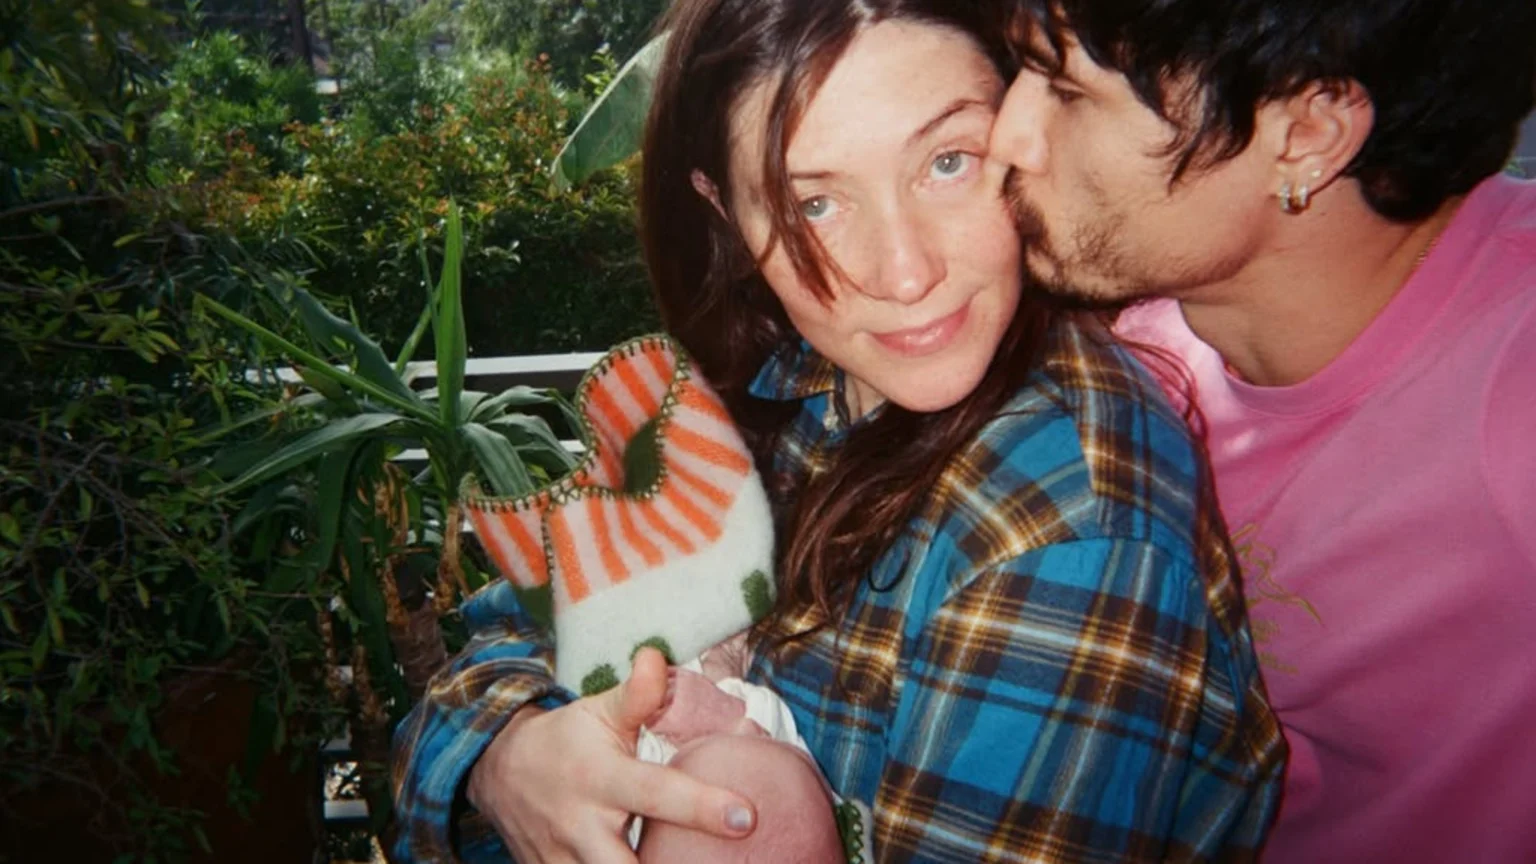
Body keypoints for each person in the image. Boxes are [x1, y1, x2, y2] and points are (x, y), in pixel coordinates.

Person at [390, 0, 1287, 861]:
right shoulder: (759, 390)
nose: (904, 273)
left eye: (948, 162)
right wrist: (507, 755)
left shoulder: (1068, 535)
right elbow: (499, 642)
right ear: (725, 213)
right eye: (813, 204)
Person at [985, 1, 1536, 861]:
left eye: (1069, 91)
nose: (1008, 137)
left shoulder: (1513, 376)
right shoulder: (1135, 348)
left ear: (1308, 134)